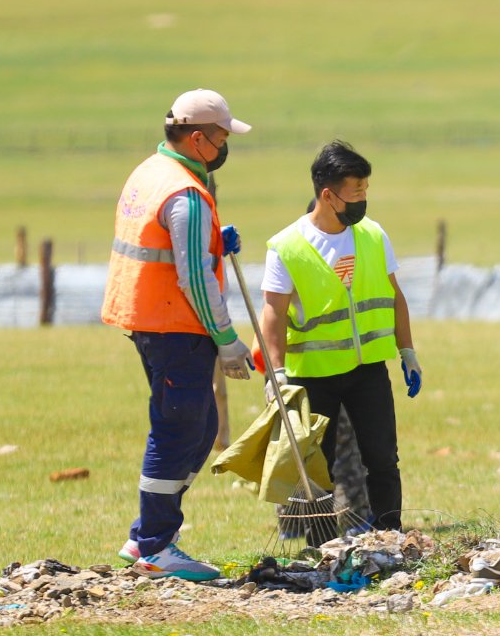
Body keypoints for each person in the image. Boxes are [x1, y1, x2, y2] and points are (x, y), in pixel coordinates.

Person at [100, 89, 255, 581]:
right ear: (197, 138)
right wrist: (228, 341)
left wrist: (211, 233)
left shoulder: (151, 171)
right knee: (178, 430)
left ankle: (145, 531)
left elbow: (170, 241)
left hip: (151, 319)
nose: (226, 146)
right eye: (221, 137)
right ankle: (155, 546)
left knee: (201, 428)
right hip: (174, 325)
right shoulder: (185, 194)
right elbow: (193, 277)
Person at [258, 141, 421, 534]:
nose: (363, 200)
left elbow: (395, 295)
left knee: (383, 459)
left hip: (367, 369)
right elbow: (273, 313)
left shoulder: (373, 234)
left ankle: (389, 537)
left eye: (366, 191)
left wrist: (408, 351)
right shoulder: (287, 246)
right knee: (316, 467)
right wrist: (275, 372)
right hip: (312, 374)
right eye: (356, 193)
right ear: (328, 195)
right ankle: (322, 548)